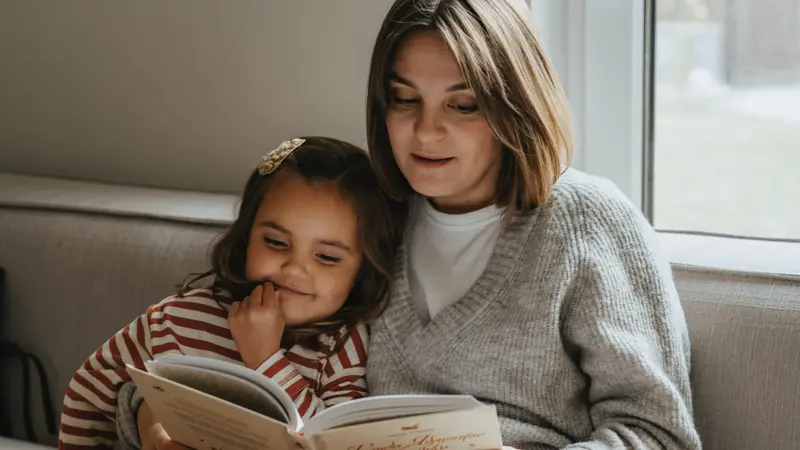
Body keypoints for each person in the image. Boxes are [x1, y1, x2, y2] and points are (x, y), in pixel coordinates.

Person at [118, 0, 703, 448]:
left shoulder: (587, 224)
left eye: (463, 104)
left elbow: (658, 434)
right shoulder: (361, 221)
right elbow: (205, 344)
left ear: (513, 103)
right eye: (404, 99)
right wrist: (153, 417)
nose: (426, 132)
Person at [57, 137, 406, 450]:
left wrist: (266, 360)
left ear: (362, 269)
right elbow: (92, 385)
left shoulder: (344, 347)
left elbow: (334, 443)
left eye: (327, 257)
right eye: (276, 242)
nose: (295, 269)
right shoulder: (178, 317)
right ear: (247, 235)